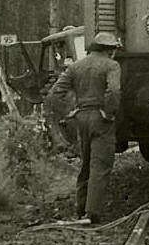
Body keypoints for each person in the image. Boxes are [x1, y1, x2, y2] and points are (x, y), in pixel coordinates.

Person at [46, 32, 122, 223]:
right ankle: (92, 213)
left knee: (86, 164)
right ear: (109, 50)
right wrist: (108, 112)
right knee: (100, 165)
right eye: (113, 49)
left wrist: (68, 112)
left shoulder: (76, 66)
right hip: (100, 119)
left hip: (81, 118)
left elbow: (54, 93)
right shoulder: (111, 65)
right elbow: (113, 91)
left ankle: (80, 209)